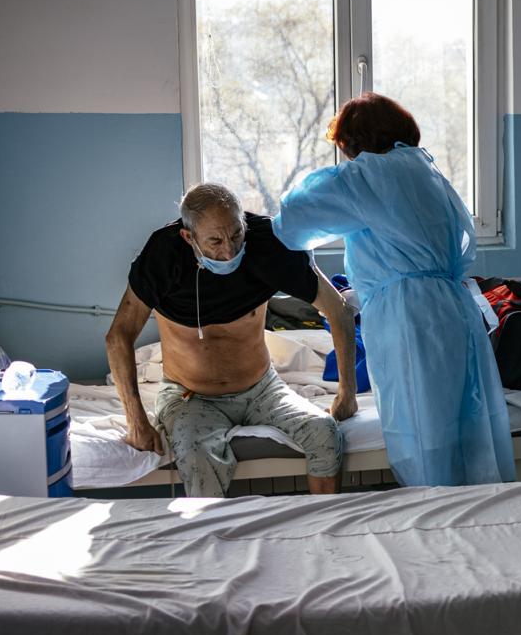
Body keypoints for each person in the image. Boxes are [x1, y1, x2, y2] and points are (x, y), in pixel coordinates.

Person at [271, 94, 514, 488]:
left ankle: (435, 518)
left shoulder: (368, 177)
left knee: (422, 430)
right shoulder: (426, 171)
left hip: (409, 317)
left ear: (352, 142)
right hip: (453, 308)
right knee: (465, 427)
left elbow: (294, 224)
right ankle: (478, 521)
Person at [106, 183, 359, 497]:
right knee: (195, 453)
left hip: (263, 389)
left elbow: (340, 311)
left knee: (324, 433)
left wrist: (347, 392)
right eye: (214, 241)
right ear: (188, 237)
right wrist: (136, 420)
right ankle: (215, 540)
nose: (229, 250)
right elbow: (118, 337)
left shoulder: (269, 243)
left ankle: (324, 531)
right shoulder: (163, 255)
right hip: (191, 395)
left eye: (236, 235)